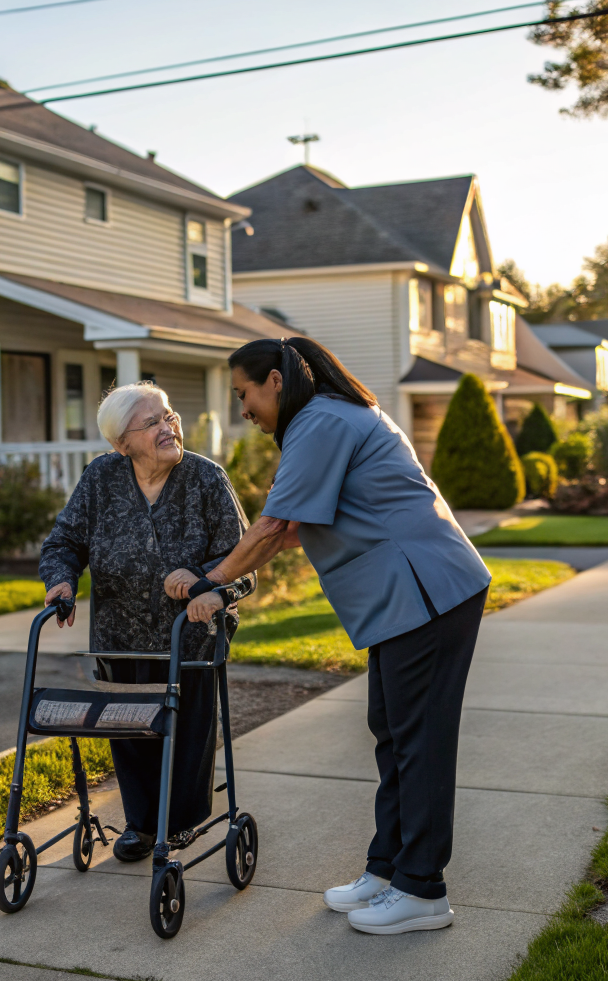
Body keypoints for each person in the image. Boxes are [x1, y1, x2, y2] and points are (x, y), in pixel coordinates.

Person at [165, 338, 490, 935]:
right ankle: (388, 869)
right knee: (393, 736)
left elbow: (269, 529)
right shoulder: (329, 418)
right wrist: (226, 569)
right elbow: (292, 528)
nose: (244, 409)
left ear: (275, 381)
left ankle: (422, 891)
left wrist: (212, 580)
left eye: (244, 394)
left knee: (419, 743)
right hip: (409, 600)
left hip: (429, 594)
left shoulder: (319, 422)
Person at [39, 382, 254, 863]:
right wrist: (60, 582)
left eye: (170, 416)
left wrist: (209, 588)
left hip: (190, 638)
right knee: (131, 730)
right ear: (122, 444)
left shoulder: (205, 479)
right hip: (120, 637)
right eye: (152, 422)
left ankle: (179, 824)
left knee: (185, 728)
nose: (168, 428)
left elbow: (244, 562)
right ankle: (140, 824)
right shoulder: (101, 479)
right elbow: (64, 542)